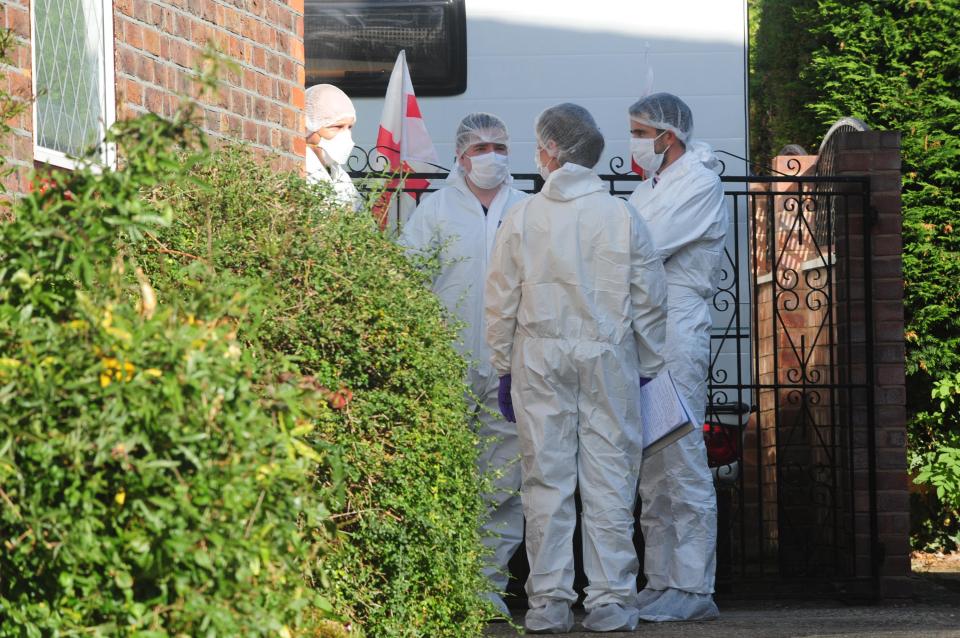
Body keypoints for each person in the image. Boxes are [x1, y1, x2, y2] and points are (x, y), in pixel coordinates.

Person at [485, 103, 668, 634]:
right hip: (608, 358)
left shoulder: (522, 215)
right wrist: (649, 362)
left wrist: (502, 366)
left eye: (539, 146)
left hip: (538, 360)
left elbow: (502, 299)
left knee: (546, 481)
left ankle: (549, 603)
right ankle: (611, 599)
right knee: (611, 478)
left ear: (552, 151)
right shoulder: (621, 213)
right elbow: (649, 296)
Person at [399, 113, 529, 618]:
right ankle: (443, 588)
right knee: (444, 475)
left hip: (511, 368)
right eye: (481, 148)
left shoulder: (526, 210)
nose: (491, 155)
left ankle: (486, 591)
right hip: (447, 366)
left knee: (502, 482)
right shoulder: (433, 212)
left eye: (499, 145)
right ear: (460, 155)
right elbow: (408, 281)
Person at [626, 92, 728, 622]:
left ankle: (694, 588)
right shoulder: (653, 186)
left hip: (677, 328)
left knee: (683, 459)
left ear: (670, 134)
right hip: (646, 331)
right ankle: (662, 578)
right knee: (653, 465)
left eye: (642, 132)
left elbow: (644, 247)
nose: (636, 142)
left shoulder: (700, 184)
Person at [304, 84, 362, 210]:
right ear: (309, 128)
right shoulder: (299, 169)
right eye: (337, 127)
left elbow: (365, 223)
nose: (346, 135)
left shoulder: (339, 173)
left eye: (349, 127)